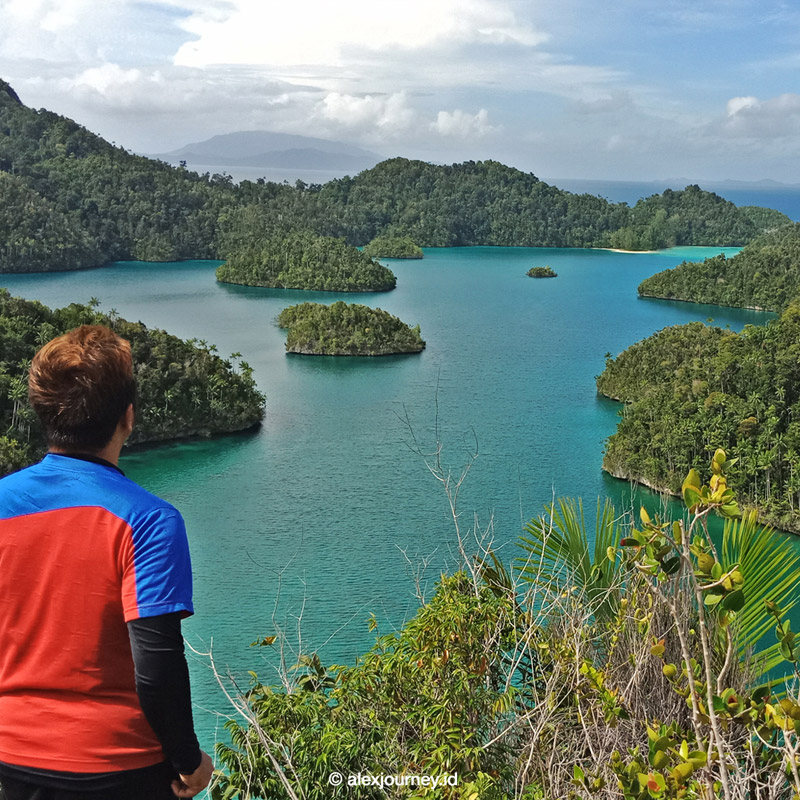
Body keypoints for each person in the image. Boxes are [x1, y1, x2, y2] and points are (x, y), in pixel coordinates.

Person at [0, 325, 214, 800]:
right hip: (120, 766)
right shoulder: (149, 521)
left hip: (13, 759)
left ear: (43, 414)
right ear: (129, 418)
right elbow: (155, 665)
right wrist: (188, 760)